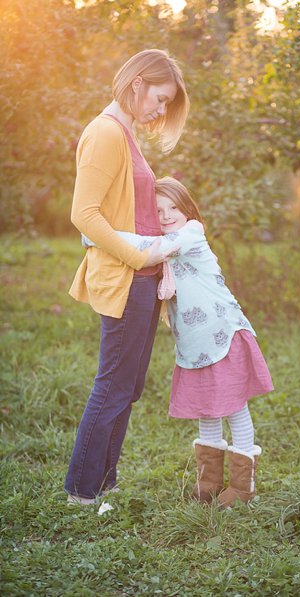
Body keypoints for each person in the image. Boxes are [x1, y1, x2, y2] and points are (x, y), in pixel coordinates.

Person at [84, 177, 274, 506]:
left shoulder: (190, 234)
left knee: (234, 408)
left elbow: (149, 248)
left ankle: (244, 487)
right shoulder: (163, 241)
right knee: (207, 408)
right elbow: (146, 244)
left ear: (187, 209)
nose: (167, 214)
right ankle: (210, 484)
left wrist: (99, 237)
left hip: (223, 336)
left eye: (174, 207)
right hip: (195, 347)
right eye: (158, 210)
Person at [65, 49, 190, 504]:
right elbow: (84, 214)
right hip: (127, 277)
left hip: (144, 279)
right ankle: (81, 491)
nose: (160, 110)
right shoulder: (104, 132)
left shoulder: (126, 133)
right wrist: (138, 257)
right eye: (160, 98)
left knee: (129, 386)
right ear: (137, 83)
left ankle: (103, 482)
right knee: (113, 384)